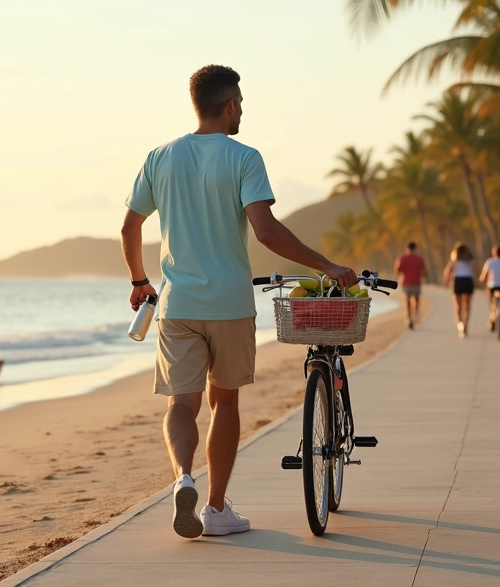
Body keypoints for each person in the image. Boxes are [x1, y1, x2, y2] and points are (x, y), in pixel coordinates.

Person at [120, 64, 356, 539]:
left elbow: (130, 228)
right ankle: (214, 508)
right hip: (229, 302)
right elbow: (266, 232)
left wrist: (140, 280)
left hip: (178, 303)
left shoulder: (159, 157)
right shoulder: (244, 157)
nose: (242, 111)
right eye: (241, 104)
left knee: (181, 405)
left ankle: (183, 479)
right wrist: (326, 266)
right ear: (229, 105)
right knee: (224, 402)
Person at [442, 243, 476, 338]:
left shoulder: (454, 261)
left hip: (457, 281)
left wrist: (448, 280)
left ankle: (460, 323)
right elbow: (474, 272)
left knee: (458, 307)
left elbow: (447, 272)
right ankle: (465, 325)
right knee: (467, 307)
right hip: (468, 280)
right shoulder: (470, 260)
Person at [479, 247, 500, 331]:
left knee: (492, 304)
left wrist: (482, 280)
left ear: (493, 253)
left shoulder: (490, 262)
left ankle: (492, 320)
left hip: (492, 285)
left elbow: (483, 276)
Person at [394, 241, 427, 330]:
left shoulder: (402, 258)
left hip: (406, 283)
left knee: (407, 301)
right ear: (415, 248)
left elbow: (397, 270)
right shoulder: (419, 258)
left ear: (407, 248)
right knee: (416, 300)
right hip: (416, 282)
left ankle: (409, 319)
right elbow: (425, 272)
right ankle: (414, 317)